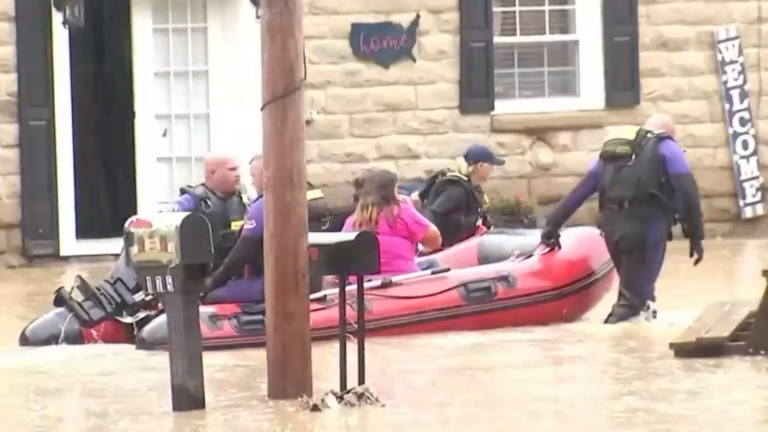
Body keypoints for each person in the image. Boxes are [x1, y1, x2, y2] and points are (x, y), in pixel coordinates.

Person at [539, 114, 705, 324]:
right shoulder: (667, 147)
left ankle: (640, 337)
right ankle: (609, 339)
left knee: (639, 291)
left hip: (611, 230)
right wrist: (696, 235)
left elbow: (580, 191)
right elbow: (688, 192)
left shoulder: (614, 153)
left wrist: (552, 225)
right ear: (668, 133)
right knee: (630, 302)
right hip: (646, 231)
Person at [342, 169, 442, 275]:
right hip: (401, 277)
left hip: (362, 280)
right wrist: (410, 208)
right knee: (433, 263)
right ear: (391, 193)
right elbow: (435, 241)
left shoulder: (351, 222)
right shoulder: (401, 212)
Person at [419, 144, 505, 249]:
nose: (493, 170)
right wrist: (429, 244)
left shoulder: (473, 188)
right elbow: (434, 214)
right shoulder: (456, 190)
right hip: (445, 248)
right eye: (491, 165)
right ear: (480, 166)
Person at [172, 155, 249, 269]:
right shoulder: (191, 200)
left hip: (236, 270)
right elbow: (168, 222)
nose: (238, 174)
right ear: (212, 173)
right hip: (204, 272)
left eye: (238, 169)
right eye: (232, 170)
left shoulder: (245, 200)